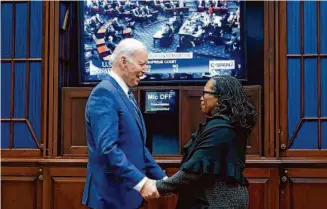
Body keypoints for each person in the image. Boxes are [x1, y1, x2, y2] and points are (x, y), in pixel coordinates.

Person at [82, 38, 167, 209]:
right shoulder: (104, 93)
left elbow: (136, 146)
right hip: (110, 199)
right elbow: (108, 149)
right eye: (142, 64)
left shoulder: (124, 92)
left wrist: (163, 180)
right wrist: (141, 183)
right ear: (123, 61)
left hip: (127, 198)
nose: (145, 70)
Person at [155, 75, 258, 209]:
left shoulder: (222, 129)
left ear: (220, 98)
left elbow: (193, 171)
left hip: (218, 203)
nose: (201, 98)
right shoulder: (224, 124)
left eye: (205, 93)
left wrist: (158, 187)